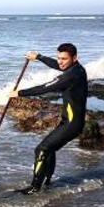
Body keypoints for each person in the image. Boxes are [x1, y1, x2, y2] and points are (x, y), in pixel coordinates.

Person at [9, 43, 88, 194]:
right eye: (59, 58)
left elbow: (45, 87)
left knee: (41, 150)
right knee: (49, 149)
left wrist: (19, 93)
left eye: (64, 59)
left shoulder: (71, 75)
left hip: (72, 124)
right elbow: (56, 65)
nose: (60, 62)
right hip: (69, 122)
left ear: (75, 58)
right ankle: (47, 182)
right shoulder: (76, 68)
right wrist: (38, 57)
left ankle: (34, 187)